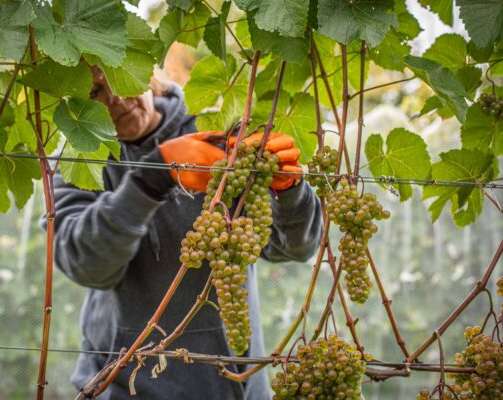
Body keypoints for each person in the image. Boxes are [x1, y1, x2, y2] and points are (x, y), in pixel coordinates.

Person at [44, 66, 323, 400]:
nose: (115, 99)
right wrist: (151, 179)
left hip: (231, 385)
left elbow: (294, 248)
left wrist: (290, 191)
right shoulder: (79, 157)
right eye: (95, 93)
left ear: (147, 75)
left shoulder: (213, 133)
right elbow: (88, 264)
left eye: (120, 80)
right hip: (122, 386)